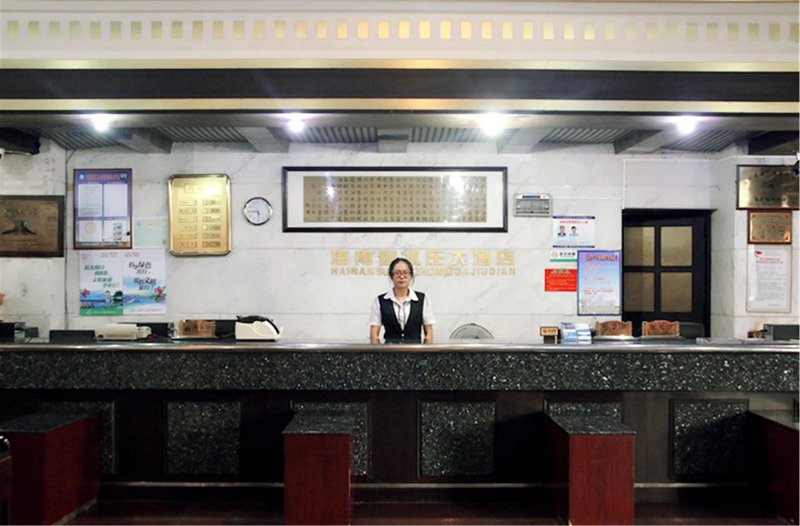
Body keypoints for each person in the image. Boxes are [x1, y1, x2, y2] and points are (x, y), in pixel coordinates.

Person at [369, 257, 435, 344]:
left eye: (405, 272)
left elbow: (429, 332)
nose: (402, 276)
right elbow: (374, 333)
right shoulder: (380, 300)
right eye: (397, 273)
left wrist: (427, 350)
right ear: (391, 276)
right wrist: (377, 350)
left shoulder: (422, 299)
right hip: (389, 350)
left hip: (415, 350)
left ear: (411, 275)